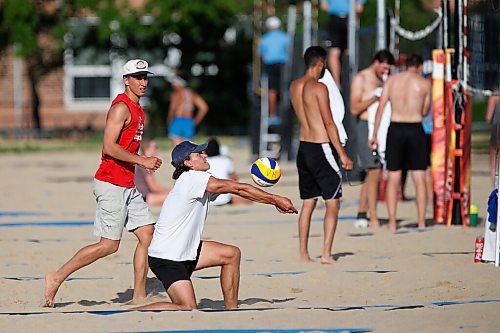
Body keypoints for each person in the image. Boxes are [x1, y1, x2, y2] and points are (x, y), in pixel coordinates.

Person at [44, 59, 163, 307]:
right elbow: (109, 147)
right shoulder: (121, 107)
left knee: (147, 234)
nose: (143, 82)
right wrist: (142, 160)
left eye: (145, 77)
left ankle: (138, 295)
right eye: (138, 77)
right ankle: (56, 277)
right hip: (110, 183)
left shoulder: (139, 109)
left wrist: (140, 161)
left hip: (127, 184)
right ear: (126, 80)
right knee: (109, 245)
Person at [134, 141, 298, 310]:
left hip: (186, 251)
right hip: (167, 257)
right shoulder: (192, 178)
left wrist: (268, 200)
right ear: (187, 163)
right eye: (199, 154)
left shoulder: (193, 179)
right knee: (187, 306)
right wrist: (275, 199)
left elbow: (235, 190)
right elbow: (238, 189)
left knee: (231, 255)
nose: (204, 155)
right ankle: (134, 312)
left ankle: (231, 309)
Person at [289, 46, 354, 264]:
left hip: (303, 147)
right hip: (320, 146)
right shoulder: (319, 87)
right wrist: (343, 154)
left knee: (308, 203)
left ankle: (303, 254)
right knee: (332, 202)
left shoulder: (294, 86)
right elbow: (329, 123)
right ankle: (326, 254)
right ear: (321, 63)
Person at [370, 54, 431, 232]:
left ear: (405, 66)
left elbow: (381, 108)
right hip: (414, 127)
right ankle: (421, 222)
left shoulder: (392, 81)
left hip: (395, 128)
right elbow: (425, 110)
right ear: (419, 67)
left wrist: (374, 134)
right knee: (419, 177)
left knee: (393, 177)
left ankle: (392, 223)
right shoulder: (424, 83)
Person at [350, 50, 395, 228]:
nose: (385, 71)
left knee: (373, 173)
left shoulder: (384, 79)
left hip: (381, 127)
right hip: (365, 125)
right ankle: (373, 216)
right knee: (373, 170)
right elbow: (354, 108)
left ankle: (363, 212)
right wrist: (375, 98)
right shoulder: (362, 78)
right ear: (376, 63)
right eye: (383, 68)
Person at [320, 0, 366, 87]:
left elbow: (359, 7)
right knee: (335, 51)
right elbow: (324, 5)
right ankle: (337, 84)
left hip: (350, 20)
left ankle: (351, 81)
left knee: (349, 51)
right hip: (336, 20)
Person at [258, 16, 290, 124]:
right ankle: (285, 113)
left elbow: (261, 55)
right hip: (282, 65)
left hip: (270, 65)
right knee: (284, 88)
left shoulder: (264, 39)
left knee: (272, 90)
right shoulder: (285, 37)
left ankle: (273, 115)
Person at [167, 70, 209, 147]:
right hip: (189, 122)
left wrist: (169, 121)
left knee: (177, 150)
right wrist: (195, 122)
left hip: (177, 121)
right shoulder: (192, 94)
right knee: (188, 150)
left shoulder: (176, 94)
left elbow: (172, 110)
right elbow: (204, 108)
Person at [205, 137, 252, 206]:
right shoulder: (226, 160)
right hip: (224, 199)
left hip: (207, 201)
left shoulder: (203, 162)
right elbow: (235, 179)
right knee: (248, 201)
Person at [134, 139, 171, 206]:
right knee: (173, 197)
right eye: (155, 147)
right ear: (146, 149)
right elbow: (154, 188)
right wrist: (172, 191)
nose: (157, 149)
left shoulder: (142, 161)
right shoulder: (145, 164)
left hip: (145, 195)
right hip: (144, 198)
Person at [486, 95, 500, 186]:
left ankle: (496, 185)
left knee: (493, 155)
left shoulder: (495, 96)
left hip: (497, 128)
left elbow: (488, 117)